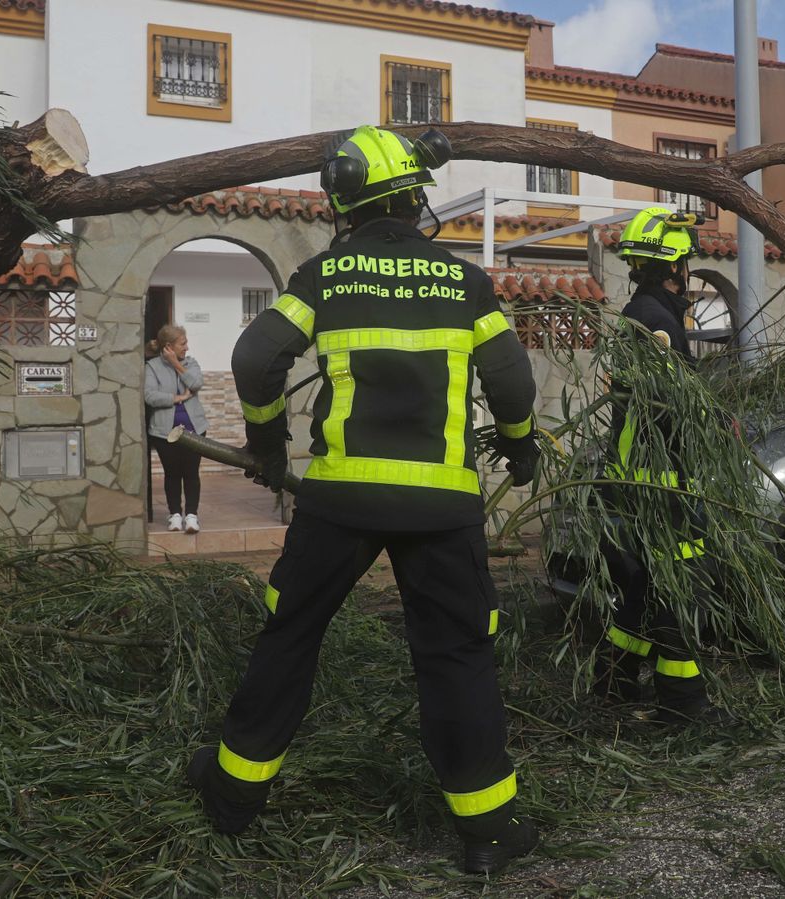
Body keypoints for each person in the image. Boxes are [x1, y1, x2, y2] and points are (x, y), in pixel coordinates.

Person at [187, 125, 541, 876]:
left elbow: (254, 357)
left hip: (340, 499)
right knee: (456, 657)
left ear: (345, 205)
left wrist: (268, 443)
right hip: (441, 507)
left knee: (289, 636)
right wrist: (520, 443)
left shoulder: (325, 276)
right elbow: (511, 380)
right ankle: (488, 832)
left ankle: (231, 796)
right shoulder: (464, 282)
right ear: (415, 198)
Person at [593, 205, 721, 724]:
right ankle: (683, 704)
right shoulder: (658, 320)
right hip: (660, 480)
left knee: (642, 585)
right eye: (685, 262)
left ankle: (615, 679)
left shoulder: (641, 313)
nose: (686, 273)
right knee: (678, 586)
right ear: (674, 266)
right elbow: (671, 405)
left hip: (636, 475)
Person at [144, 324, 208, 534]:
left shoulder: (191, 363)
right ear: (169, 346)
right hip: (164, 432)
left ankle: (191, 516)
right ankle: (175, 515)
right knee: (172, 474)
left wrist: (177, 365)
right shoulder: (152, 366)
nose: (187, 348)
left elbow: (196, 383)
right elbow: (150, 396)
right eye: (183, 343)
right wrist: (177, 398)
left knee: (191, 473)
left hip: (194, 431)